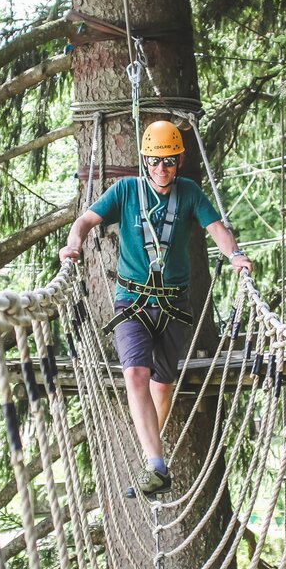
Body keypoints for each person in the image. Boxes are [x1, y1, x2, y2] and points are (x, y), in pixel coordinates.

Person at [60, 120, 253, 498]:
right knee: (135, 374)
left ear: (178, 162)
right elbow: (85, 220)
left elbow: (216, 227)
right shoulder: (126, 191)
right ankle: (157, 465)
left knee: (161, 384)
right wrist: (73, 246)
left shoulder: (190, 193)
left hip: (173, 304)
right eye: (154, 162)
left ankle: (151, 456)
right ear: (144, 162)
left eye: (167, 162)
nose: (160, 169)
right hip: (131, 301)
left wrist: (235, 255)